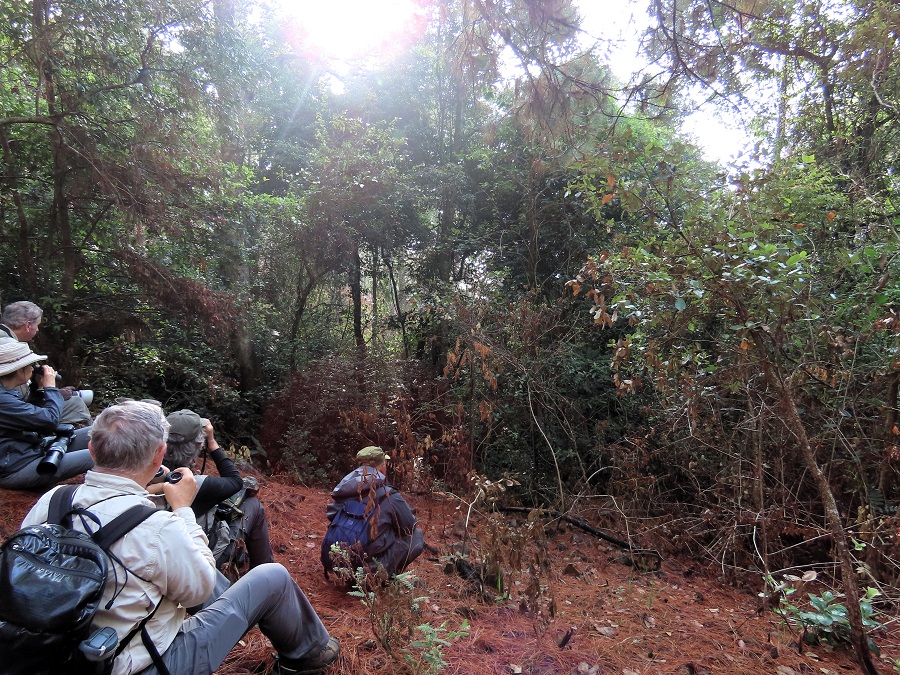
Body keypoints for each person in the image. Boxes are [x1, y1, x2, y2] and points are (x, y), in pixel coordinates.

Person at [20, 400, 340, 675]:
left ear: (90, 449)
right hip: (138, 663)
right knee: (273, 577)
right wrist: (182, 509)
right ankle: (307, 657)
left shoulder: (54, 499)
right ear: (158, 455)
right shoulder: (157, 526)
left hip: (50, 655)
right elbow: (200, 590)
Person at [148, 408, 275, 569]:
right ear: (199, 445)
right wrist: (213, 442)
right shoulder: (198, 484)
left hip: (162, 552)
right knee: (253, 506)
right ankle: (265, 571)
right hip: (199, 556)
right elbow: (236, 482)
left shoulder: (151, 472)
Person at [0, 341, 93, 490]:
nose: (33, 368)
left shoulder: (6, 393)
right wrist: (51, 387)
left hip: (31, 450)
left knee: (98, 433)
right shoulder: (2, 399)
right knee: (101, 455)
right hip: (17, 468)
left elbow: (31, 414)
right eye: (31, 365)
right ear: (18, 370)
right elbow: (50, 420)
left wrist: (37, 387)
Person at [326, 445, 425, 575]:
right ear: (382, 466)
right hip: (367, 571)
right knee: (416, 536)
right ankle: (381, 576)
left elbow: (332, 515)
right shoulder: (389, 495)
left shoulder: (344, 488)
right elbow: (409, 525)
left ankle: (348, 570)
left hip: (336, 561)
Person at [0, 300, 92, 426]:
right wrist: (51, 391)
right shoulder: (9, 346)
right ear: (28, 325)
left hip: (15, 410)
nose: (37, 330)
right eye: (37, 325)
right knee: (75, 404)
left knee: (74, 402)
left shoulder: (7, 340)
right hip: (13, 420)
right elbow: (16, 400)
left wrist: (42, 390)